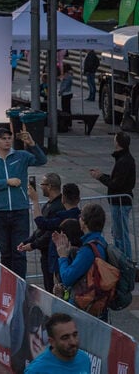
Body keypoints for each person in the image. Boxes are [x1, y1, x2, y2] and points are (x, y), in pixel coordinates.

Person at [0, 126, 47, 278]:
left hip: (20, 211)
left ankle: (20, 284)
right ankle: (7, 283)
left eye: (9, 138)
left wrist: (32, 144)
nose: (7, 141)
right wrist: (6, 182)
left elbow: (42, 160)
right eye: (3, 138)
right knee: (5, 253)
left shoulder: (21, 156)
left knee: (19, 252)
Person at [54, 202, 111, 317]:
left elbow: (67, 278)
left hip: (85, 308)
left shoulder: (88, 250)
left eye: (81, 217)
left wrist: (63, 256)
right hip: (97, 304)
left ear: (84, 223)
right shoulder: (101, 242)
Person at [90, 131, 135, 260]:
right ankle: (122, 258)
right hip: (118, 200)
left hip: (120, 201)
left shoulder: (124, 161)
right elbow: (117, 180)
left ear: (117, 142)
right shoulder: (123, 159)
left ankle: (124, 260)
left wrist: (100, 177)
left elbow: (116, 183)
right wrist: (102, 176)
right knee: (117, 232)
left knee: (120, 233)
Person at [19, 172, 64, 293]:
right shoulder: (49, 204)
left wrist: (35, 201)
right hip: (46, 254)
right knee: (47, 283)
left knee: (53, 286)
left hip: (53, 254)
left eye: (42, 184)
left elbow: (48, 232)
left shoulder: (58, 206)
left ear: (49, 186)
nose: (40, 187)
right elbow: (40, 230)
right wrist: (27, 241)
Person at [24, 312, 92, 373]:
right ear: (52, 342)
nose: (73, 342)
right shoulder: (36, 370)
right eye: (65, 338)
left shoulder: (84, 359)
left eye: (75, 335)